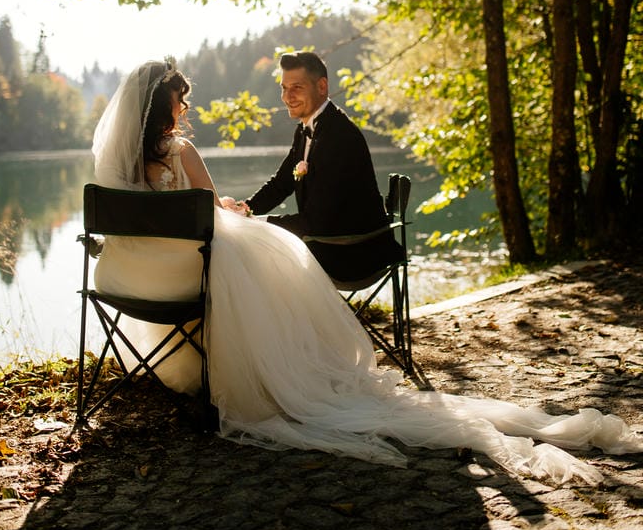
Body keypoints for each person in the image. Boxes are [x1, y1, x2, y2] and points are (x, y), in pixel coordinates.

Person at [91, 59, 643, 485]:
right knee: (269, 259)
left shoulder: (115, 163)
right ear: (165, 107)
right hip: (191, 278)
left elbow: (157, 220)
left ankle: (217, 365)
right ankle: (282, 366)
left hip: (129, 281)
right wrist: (239, 211)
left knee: (258, 251)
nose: (185, 112)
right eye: (181, 102)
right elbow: (206, 209)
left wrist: (240, 213)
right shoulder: (181, 149)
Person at [242, 51, 401, 283]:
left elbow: (317, 220)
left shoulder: (338, 136)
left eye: (296, 87)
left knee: (259, 260)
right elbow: (281, 183)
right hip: (326, 242)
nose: (287, 97)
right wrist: (245, 209)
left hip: (353, 252)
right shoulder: (306, 129)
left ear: (322, 86)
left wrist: (259, 224)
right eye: (284, 88)